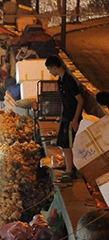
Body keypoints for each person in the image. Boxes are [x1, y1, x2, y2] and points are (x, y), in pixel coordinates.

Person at [45, 55, 84, 183]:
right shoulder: (60, 81)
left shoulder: (69, 81)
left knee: (68, 145)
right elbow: (64, 101)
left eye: (50, 70)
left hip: (72, 118)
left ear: (54, 67)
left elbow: (80, 100)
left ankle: (69, 171)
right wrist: (61, 116)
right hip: (66, 117)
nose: (50, 72)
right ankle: (69, 168)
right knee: (63, 143)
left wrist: (75, 120)